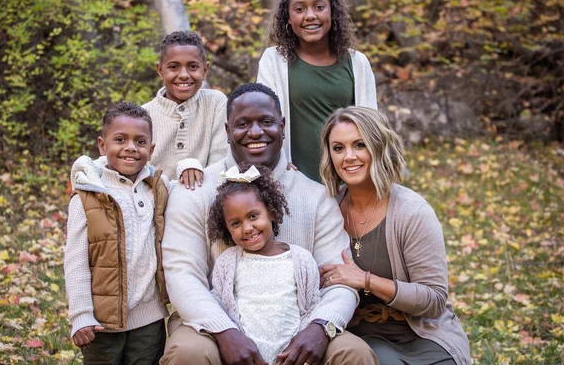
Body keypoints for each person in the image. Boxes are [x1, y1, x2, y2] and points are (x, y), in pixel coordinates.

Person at [160, 83, 378, 365]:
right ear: (227, 130)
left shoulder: (316, 197)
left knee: (354, 353)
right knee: (188, 353)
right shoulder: (194, 191)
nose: (255, 132)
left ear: (283, 126)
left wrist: (320, 326)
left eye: (266, 122)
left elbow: (341, 278)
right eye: (242, 124)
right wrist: (225, 331)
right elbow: (182, 275)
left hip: (300, 323)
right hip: (212, 327)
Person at [317, 106, 470, 365]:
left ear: (378, 147)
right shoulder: (324, 208)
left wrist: (365, 279)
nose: (349, 157)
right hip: (358, 337)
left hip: (421, 333)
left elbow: (433, 299)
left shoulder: (412, 211)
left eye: (359, 145)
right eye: (338, 148)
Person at [64, 101, 169, 364]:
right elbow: (75, 262)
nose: (131, 147)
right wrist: (81, 315)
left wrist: (193, 165)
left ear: (151, 149)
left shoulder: (158, 188)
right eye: (120, 139)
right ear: (102, 145)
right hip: (102, 321)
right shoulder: (88, 196)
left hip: (148, 317)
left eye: (140, 141)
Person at [257, 0, 377, 182]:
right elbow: (264, 122)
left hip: (347, 186)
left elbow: (373, 131)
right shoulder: (273, 61)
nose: (310, 15)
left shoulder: (357, 63)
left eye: (319, 7)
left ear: (332, 12)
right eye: (300, 8)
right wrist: (278, 165)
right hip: (293, 184)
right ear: (288, 16)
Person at [208, 164, 321, 364]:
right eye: (236, 223)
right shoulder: (228, 262)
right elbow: (218, 305)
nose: (247, 228)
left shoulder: (300, 259)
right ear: (226, 228)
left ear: (272, 212)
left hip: (291, 358)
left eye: (253, 216)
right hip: (246, 358)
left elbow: (312, 307)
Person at [143, 30, 228, 188]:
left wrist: (192, 166)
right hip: (155, 204)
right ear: (160, 70)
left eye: (193, 67)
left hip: (204, 200)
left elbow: (221, 165)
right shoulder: (143, 116)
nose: (183, 75)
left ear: (205, 70)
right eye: (174, 67)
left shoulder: (216, 103)